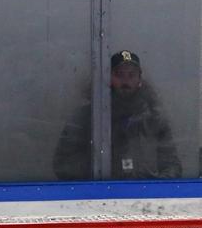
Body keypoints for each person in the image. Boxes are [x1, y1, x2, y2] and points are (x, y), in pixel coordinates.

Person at [53, 50, 182, 181]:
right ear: (108, 78)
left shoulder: (154, 119)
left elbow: (172, 165)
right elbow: (63, 165)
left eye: (131, 75)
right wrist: (98, 179)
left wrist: (154, 189)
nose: (126, 81)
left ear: (139, 80)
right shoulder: (88, 118)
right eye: (119, 74)